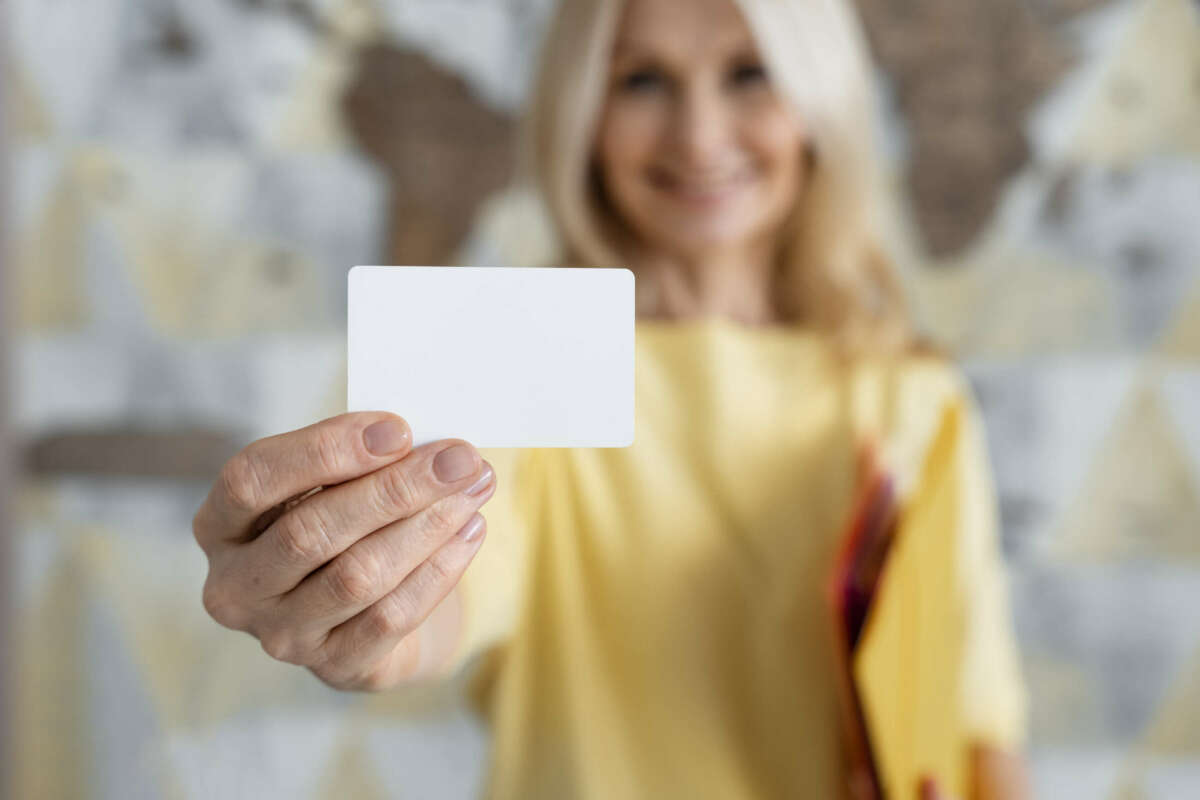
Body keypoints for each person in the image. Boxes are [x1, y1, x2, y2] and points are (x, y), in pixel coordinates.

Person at [192, 0, 1030, 796]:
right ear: (582, 115)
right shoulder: (526, 352)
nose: (700, 138)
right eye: (641, 81)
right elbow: (443, 608)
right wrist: (357, 613)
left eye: (749, 73)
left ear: (820, 100)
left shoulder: (912, 396)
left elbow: (979, 724)